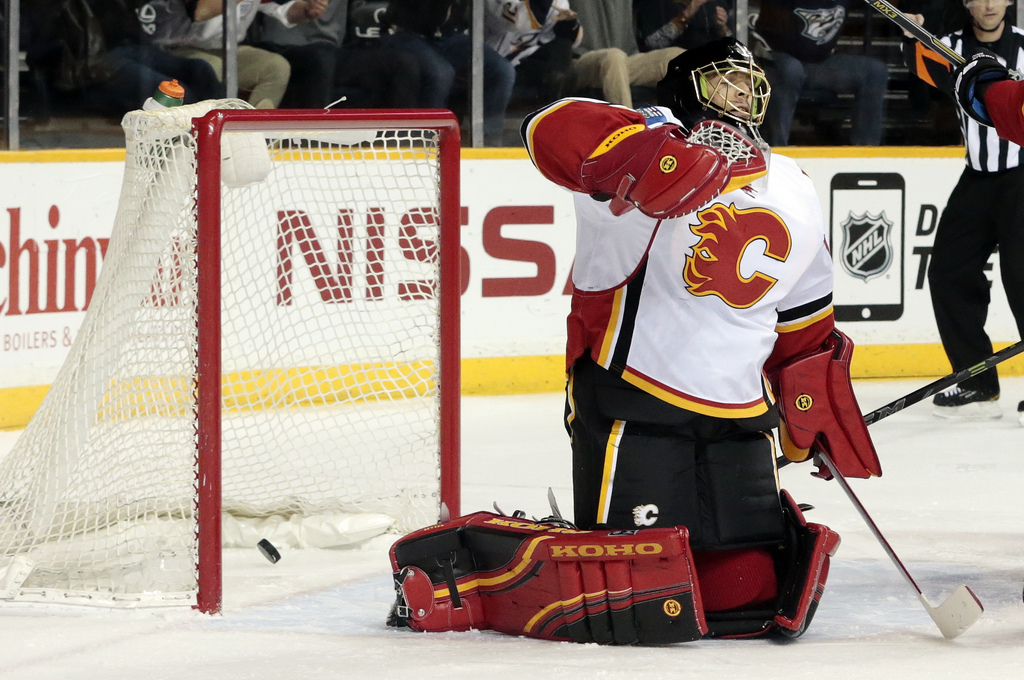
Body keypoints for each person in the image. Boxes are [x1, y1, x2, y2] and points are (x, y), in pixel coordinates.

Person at [385, 38, 882, 644]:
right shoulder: (643, 138)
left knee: (745, 596)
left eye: (751, 81)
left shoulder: (792, 182)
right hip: (636, 400)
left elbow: (805, 320)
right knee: (639, 598)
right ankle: (476, 572)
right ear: (687, 87)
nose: (742, 93)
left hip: (741, 419)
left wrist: (812, 400)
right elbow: (550, 126)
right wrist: (649, 157)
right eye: (724, 79)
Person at [902, 0, 1024, 422]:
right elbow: (921, 80)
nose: (989, 4)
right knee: (948, 272)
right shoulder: (949, 46)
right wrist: (913, 37)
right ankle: (977, 378)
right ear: (966, 3)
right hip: (977, 178)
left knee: (1022, 278)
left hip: (1021, 178)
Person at [138, 0, 328, 108]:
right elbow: (202, 12)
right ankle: (208, 138)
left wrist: (306, 10)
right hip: (178, 49)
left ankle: (254, 136)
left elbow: (284, 11)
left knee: (275, 67)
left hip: (228, 48)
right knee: (213, 68)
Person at [751, 0, 889, 145]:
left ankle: (867, 151)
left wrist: (906, 17)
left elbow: (886, 5)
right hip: (776, 59)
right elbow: (770, 25)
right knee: (791, 70)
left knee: (874, 71)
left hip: (819, 63)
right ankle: (776, 150)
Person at [382, 0, 515, 146]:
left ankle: (488, 145)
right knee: (440, 74)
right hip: (406, 33)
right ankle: (427, 145)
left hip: (450, 36)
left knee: (501, 71)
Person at [248, 0, 420, 109]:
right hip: (280, 46)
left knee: (403, 64)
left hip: (332, 49)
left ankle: (401, 145)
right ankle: (311, 146)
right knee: (322, 59)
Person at [570, 0, 683, 108]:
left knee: (677, 56)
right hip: (580, 61)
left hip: (625, 60)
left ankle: (690, 124)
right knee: (613, 58)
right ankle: (631, 125)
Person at [484, 0, 582, 104]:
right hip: (477, 59)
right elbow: (514, 23)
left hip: (512, 65)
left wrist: (568, 26)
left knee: (566, 77)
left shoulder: (558, 2)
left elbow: (563, 40)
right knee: (504, 72)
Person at [634, 0, 733, 51]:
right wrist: (686, 15)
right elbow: (652, 44)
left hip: (714, 62)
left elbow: (733, 43)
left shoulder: (716, 3)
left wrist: (722, 28)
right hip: (675, 63)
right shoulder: (655, 3)